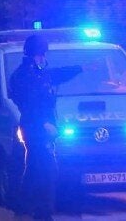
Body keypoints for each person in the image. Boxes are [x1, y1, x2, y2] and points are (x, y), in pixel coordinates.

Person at [9, 35, 84, 220]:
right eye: (42, 54)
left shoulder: (37, 73)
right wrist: (45, 123)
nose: (44, 58)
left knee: (36, 168)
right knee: (47, 169)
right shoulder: (25, 76)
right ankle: (39, 212)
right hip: (37, 128)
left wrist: (81, 68)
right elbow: (29, 103)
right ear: (35, 54)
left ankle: (25, 209)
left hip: (40, 127)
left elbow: (58, 74)